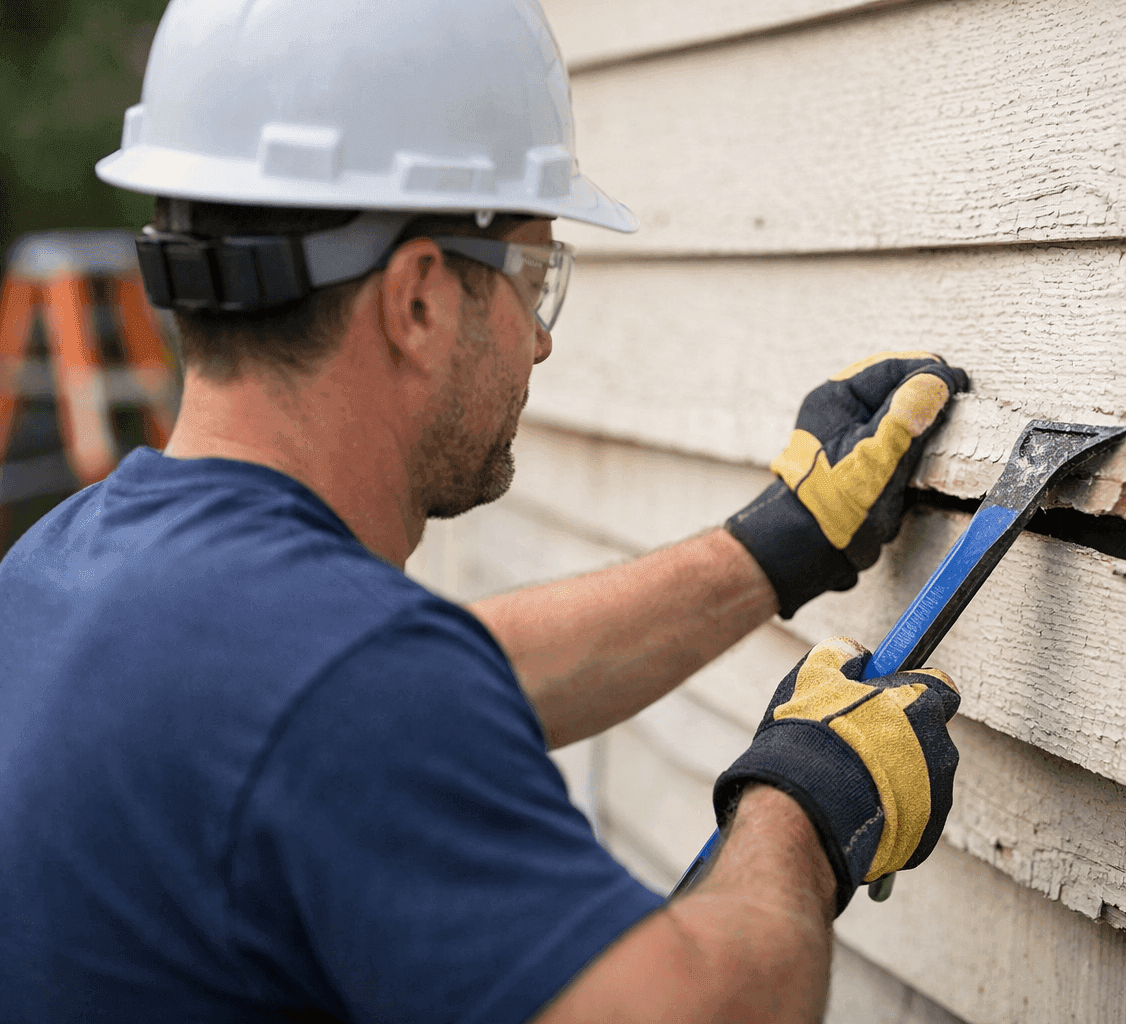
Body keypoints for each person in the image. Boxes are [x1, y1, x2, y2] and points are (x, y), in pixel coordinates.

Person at [0, 2, 969, 1021]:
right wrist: (807, 802)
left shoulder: (60, 569)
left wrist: (775, 548)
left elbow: (430, 676)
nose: (539, 343)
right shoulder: (344, 689)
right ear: (418, 299)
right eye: (535, 275)